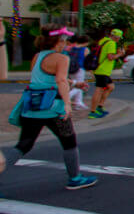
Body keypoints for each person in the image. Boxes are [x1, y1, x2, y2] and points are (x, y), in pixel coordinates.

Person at [1, 25, 98, 190]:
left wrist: (75, 83)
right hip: (54, 108)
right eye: (65, 39)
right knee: (69, 142)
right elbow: (60, 80)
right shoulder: (61, 59)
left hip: (33, 106)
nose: (66, 43)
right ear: (58, 41)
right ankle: (75, 178)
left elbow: (45, 78)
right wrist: (67, 104)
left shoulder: (37, 57)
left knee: (24, 144)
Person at [88, 28, 124, 119]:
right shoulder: (112, 43)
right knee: (99, 90)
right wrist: (120, 54)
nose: (119, 39)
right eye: (119, 38)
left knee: (111, 87)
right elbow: (110, 57)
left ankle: (100, 106)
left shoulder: (103, 40)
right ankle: (92, 111)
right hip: (103, 70)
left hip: (100, 69)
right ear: (117, 37)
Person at [66, 34, 90, 111]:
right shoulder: (85, 49)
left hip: (71, 69)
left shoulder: (72, 48)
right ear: (86, 42)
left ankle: (78, 102)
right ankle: (67, 97)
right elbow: (88, 60)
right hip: (80, 68)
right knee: (79, 86)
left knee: (75, 84)